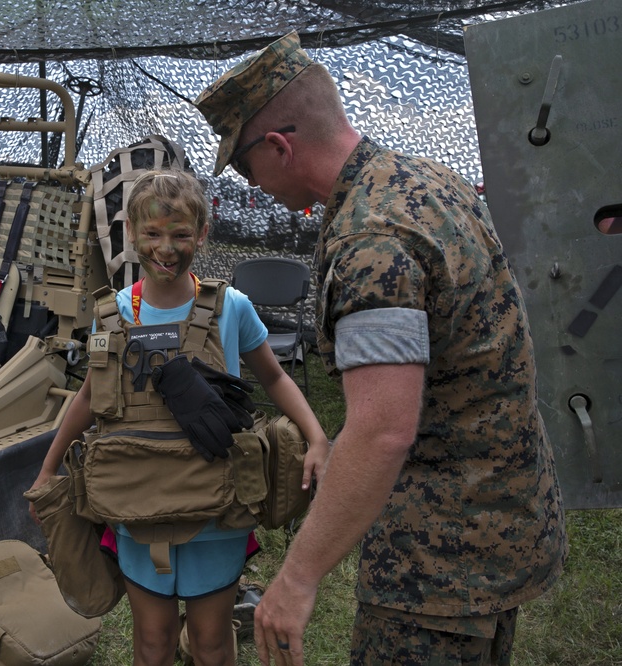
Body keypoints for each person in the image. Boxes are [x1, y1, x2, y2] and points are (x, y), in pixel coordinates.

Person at [194, 31, 567, 665]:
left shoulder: (371, 239)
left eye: (244, 166)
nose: (251, 184)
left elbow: (383, 431)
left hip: (440, 563)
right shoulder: (426, 181)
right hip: (503, 518)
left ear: (279, 146)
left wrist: (296, 579)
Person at [27, 168, 330, 666]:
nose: (165, 248)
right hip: (135, 501)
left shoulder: (231, 307)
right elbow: (87, 395)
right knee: (152, 643)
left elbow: (275, 377)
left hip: (217, 507)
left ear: (202, 234)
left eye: (181, 234)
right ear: (130, 232)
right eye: (152, 233)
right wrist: (47, 467)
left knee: (211, 643)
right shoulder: (114, 312)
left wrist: (316, 437)